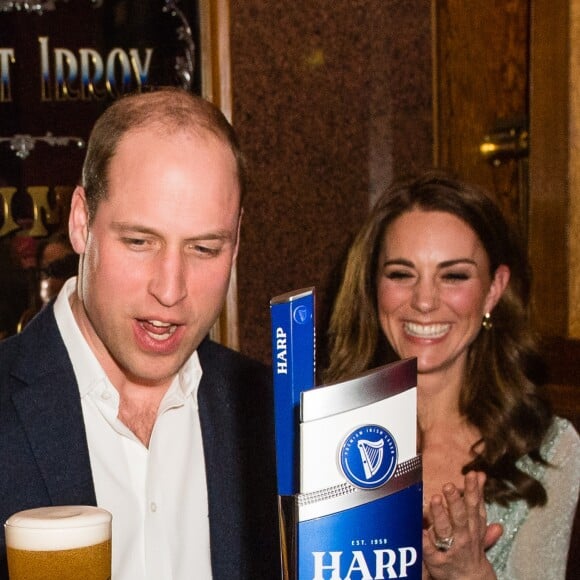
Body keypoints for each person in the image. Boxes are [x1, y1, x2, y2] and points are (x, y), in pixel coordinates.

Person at [0, 88, 281, 579]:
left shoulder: (275, 416)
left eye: (204, 249)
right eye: (139, 241)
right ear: (81, 223)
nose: (170, 290)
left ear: (236, 243)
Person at [323, 171, 580, 579]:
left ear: (494, 289)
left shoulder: (549, 449)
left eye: (454, 275)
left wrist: (471, 574)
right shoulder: (320, 431)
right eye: (401, 274)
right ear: (373, 287)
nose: (424, 301)